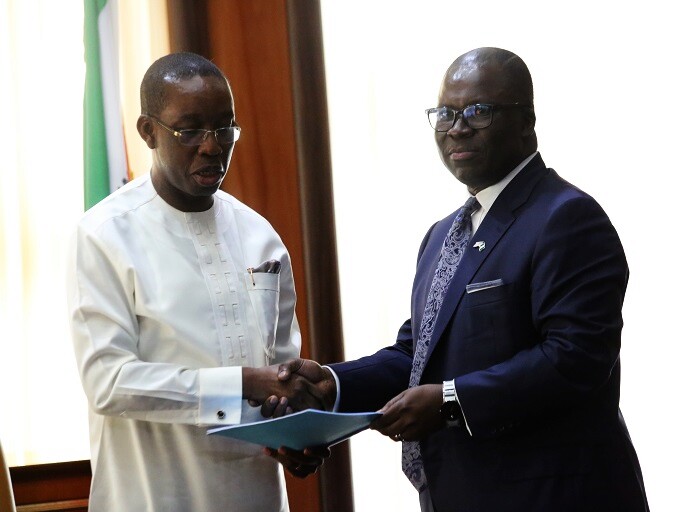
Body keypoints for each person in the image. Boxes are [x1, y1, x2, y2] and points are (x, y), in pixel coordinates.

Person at [271, 47, 650, 511]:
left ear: (527, 120)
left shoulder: (568, 217)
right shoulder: (441, 235)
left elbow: (576, 359)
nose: (457, 126)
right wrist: (331, 383)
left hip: (553, 496)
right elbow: (418, 356)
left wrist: (451, 401)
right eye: (446, 113)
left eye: (478, 111)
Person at [67, 52, 326, 512]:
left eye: (224, 128)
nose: (212, 146)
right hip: (154, 496)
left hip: (256, 495)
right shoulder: (105, 234)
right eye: (189, 131)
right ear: (148, 131)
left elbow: (280, 374)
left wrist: (297, 431)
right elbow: (109, 382)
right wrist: (244, 382)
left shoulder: (259, 234)